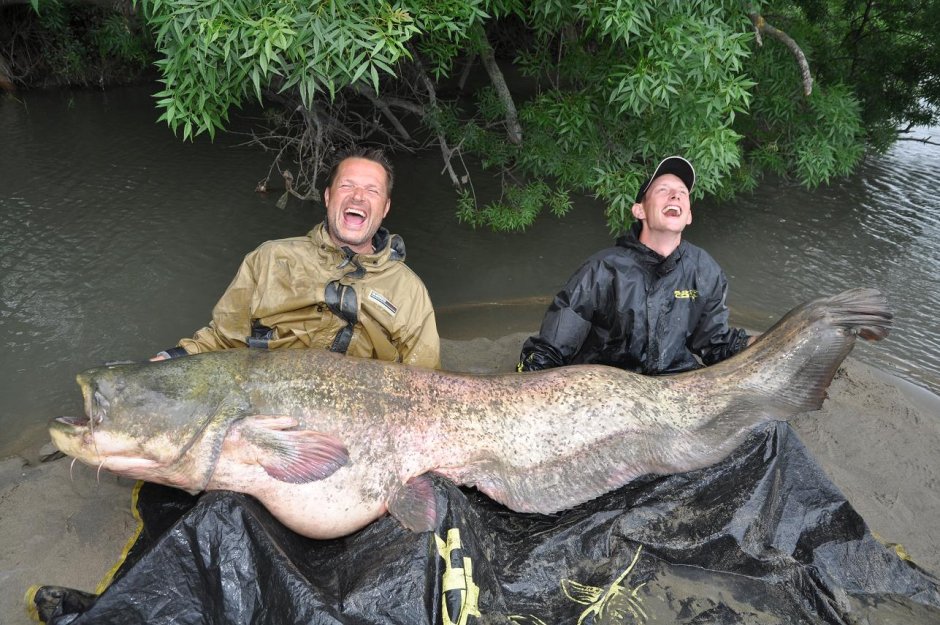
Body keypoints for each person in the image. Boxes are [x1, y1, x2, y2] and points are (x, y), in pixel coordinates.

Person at [153, 146, 441, 369]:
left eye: (371, 190)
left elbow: (425, 378)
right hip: (267, 410)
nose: (357, 197)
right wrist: (171, 358)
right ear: (328, 197)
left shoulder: (409, 291)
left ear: (385, 207)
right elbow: (223, 339)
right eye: (347, 186)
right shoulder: (270, 258)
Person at [518, 156, 751, 375]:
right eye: (663, 190)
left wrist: (778, 343)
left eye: (682, 193)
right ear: (639, 210)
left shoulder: (706, 271)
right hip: (606, 390)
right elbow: (547, 351)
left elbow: (717, 346)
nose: (675, 196)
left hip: (674, 384)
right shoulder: (601, 270)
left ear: (689, 215)